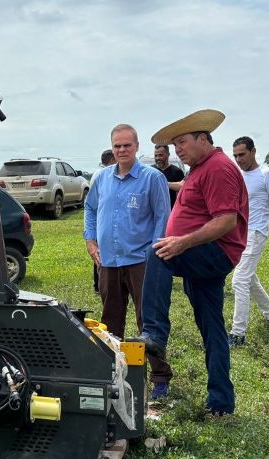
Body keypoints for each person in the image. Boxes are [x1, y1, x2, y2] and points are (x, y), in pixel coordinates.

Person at [140, 109, 248, 416]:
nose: (178, 150)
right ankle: (221, 403)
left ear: (204, 139)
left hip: (213, 252)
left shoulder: (217, 168)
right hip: (204, 255)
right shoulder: (199, 169)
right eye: (174, 146)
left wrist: (181, 242)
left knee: (158, 253)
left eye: (183, 143)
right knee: (212, 328)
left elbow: (227, 221)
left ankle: (155, 334)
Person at [84, 124, 171, 396]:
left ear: (136, 146)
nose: (121, 150)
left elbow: (162, 216)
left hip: (141, 261)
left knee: (148, 320)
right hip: (108, 261)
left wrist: (154, 251)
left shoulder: (151, 177)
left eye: (127, 145)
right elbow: (90, 208)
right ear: (112, 148)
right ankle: (113, 372)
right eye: (117, 146)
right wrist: (90, 240)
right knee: (110, 322)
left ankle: (160, 377)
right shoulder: (101, 178)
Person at [228, 137, 269, 346]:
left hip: (256, 232)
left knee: (239, 280)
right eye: (235, 155)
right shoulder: (237, 175)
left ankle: (238, 334)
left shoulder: (267, 174)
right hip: (239, 233)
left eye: (242, 154)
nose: (238, 159)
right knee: (249, 278)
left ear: (253, 152)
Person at [90, 149, 116, 293]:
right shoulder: (103, 175)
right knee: (100, 255)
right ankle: (100, 285)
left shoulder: (96, 173)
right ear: (112, 160)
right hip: (103, 220)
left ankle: (99, 285)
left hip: (102, 221)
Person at [153, 143, 186, 208]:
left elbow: (182, 194)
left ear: (168, 154)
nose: (158, 158)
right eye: (155, 155)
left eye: (160, 155)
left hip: (171, 210)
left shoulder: (177, 172)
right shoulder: (151, 171)